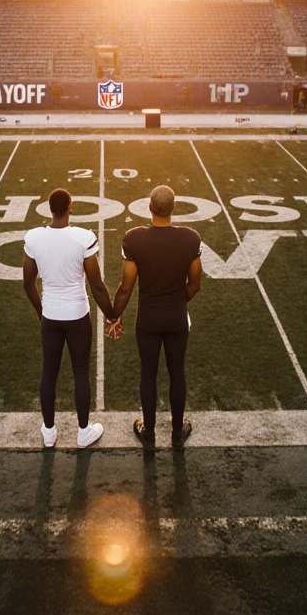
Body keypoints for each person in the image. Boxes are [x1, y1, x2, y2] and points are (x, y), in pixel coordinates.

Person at [110, 186, 203, 448]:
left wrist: (114, 315)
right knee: (177, 371)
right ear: (173, 207)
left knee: (148, 373)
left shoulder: (134, 239)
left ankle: (149, 434)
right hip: (176, 318)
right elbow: (194, 284)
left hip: (148, 319)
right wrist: (173, 302)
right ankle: (176, 432)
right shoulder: (190, 238)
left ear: (149, 207)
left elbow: (126, 287)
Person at [24, 189, 117, 449]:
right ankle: (83, 431)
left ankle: (50, 432)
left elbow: (28, 283)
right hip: (77, 314)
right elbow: (97, 286)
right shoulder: (82, 238)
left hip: (51, 315)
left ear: (49, 208)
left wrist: (42, 312)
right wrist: (111, 315)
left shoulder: (34, 238)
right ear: (70, 208)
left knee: (49, 372)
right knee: (81, 372)